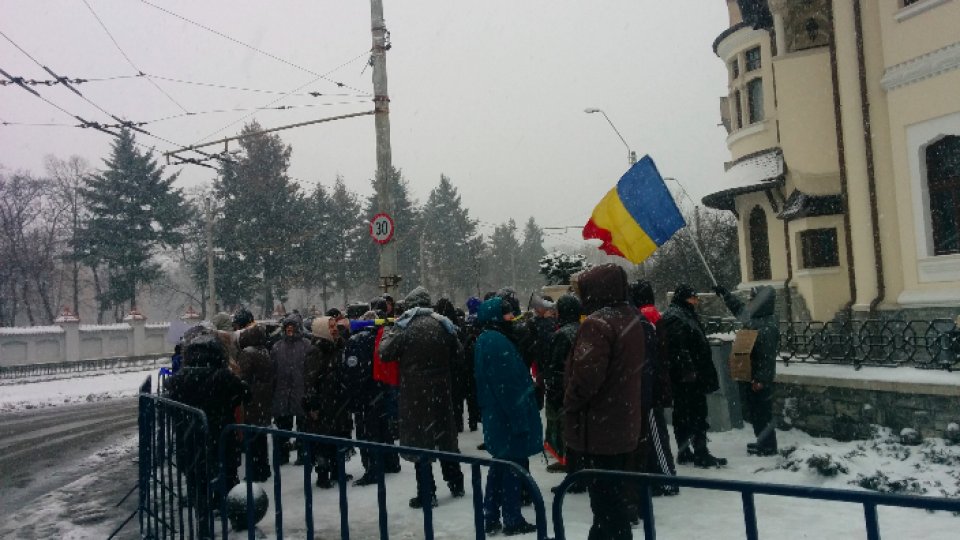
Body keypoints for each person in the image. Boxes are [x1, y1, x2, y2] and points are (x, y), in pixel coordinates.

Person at [564, 263, 645, 540]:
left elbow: (586, 379)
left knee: (604, 505)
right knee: (615, 502)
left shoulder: (597, 325)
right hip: (623, 422)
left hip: (599, 428)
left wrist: (571, 403)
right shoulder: (631, 318)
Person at [378, 286, 465, 509]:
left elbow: (385, 353)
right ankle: (456, 483)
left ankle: (427, 492)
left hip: (415, 394)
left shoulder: (405, 327)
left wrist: (390, 330)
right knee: (446, 439)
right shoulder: (443, 324)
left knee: (421, 444)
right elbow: (458, 353)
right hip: (441, 391)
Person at [165, 328, 249, 535]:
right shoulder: (223, 378)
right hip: (220, 439)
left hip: (190, 441)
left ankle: (202, 517)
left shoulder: (179, 380)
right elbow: (244, 395)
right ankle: (228, 510)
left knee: (197, 480)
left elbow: (169, 407)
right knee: (227, 475)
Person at [474, 296, 540, 536]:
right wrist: (519, 419)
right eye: (507, 313)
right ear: (495, 316)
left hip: (497, 416)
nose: (512, 317)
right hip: (508, 418)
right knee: (512, 468)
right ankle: (512, 519)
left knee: (499, 466)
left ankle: (490, 515)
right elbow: (509, 387)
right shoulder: (497, 341)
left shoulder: (487, 338)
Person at [659, 284, 726, 468]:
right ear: (685, 298)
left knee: (685, 413)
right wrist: (690, 373)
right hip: (688, 379)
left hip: (689, 376)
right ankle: (699, 452)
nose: (696, 301)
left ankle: (687, 451)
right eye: (693, 298)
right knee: (694, 413)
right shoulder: (677, 317)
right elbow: (677, 349)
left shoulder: (682, 314)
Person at [714, 284, 779, 456]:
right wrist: (725, 294)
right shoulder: (755, 318)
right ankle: (763, 442)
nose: (749, 302)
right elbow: (738, 309)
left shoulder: (766, 324)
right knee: (758, 413)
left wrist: (760, 379)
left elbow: (767, 357)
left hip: (759, 379)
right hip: (753, 376)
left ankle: (768, 446)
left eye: (752, 299)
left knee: (762, 414)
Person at [629, 280, 678, 497]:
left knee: (655, 435)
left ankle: (667, 480)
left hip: (651, 386)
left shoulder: (646, 316)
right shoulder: (650, 315)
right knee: (653, 434)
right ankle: (659, 477)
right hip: (654, 383)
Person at [346, 309, 401, 486]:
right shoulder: (384, 337)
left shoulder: (356, 341)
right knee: (384, 429)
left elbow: (353, 371)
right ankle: (391, 462)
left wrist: (353, 395)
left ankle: (372, 469)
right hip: (382, 390)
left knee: (367, 433)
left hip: (366, 393)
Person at [302, 316, 353, 488]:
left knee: (338, 435)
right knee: (323, 440)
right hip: (323, 403)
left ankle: (338, 471)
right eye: (330, 327)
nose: (334, 329)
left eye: (334, 326)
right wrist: (313, 405)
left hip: (337, 401)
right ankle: (323, 475)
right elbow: (310, 380)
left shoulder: (338, 346)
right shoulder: (316, 351)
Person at [543, 294, 581, 475]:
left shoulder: (561, 335)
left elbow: (556, 368)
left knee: (563, 429)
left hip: (564, 390)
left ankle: (570, 465)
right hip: (580, 387)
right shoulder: (583, 329)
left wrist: (553, 390)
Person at [235, 324, 276, 482]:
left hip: (252, 397)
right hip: (264, 397)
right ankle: (263, 468)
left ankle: (254, 471)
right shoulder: (265, 351)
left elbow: (243, 376)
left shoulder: (247, 353)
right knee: (261, 436)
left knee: (251, 437)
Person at [270, 313, 311, 465]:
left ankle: (302, 454)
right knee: (282, 426)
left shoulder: (306, 345)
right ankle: (282, 455)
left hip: (300, 390)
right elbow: (273, 370)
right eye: (287, 327)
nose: (289, 329)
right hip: (282, 391)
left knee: (302, 425)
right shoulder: (277, 347)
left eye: (292, 327)